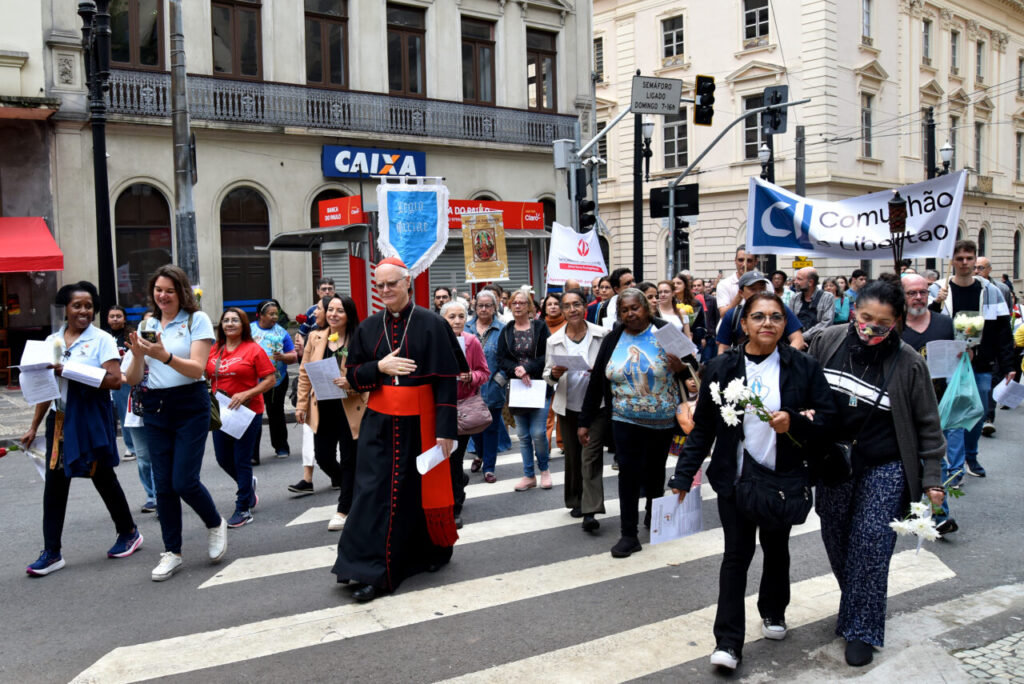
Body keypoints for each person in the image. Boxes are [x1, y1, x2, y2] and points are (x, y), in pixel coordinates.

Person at [668, 292, 836, 672]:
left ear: (785, 324)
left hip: (781, 478)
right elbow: (704, 427)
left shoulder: (803, 366)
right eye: (758, 317)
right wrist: (682, 476)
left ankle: (774, 610)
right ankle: (728, 640)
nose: (768, 324)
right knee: (736, 557)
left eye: (777, 317)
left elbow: (828, 417)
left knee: (776, 548)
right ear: (743, 324)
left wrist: (795, 420)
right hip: (735, 480)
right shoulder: (721, 367)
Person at [808, 279, 946, 667]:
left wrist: (932, 477)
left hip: (885, 465)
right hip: (834, 462)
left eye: (882, 324)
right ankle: (857, 602)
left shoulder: (909, 364)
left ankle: (861, 630)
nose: (871, 329)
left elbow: (928, 426)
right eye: (865, 318)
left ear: (897, 323)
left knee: (870, 544)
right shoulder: (828, 341)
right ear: (853, 311)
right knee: (836, 537)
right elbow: (803, 386)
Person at [333, 257, 463, 602]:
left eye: (392, 283)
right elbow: (353, 377)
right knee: (373, 493)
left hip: (420, 421)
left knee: (411, 493)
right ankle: (364, 566)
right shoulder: (368, 327)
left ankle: (421, 555)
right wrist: (380, 366)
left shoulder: (433, 324)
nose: (386, 290)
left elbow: (446, 381)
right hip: (378, 422)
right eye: (380, 285)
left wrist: (446, 431)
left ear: (408, 283)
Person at [20, 281, 142, 577]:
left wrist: (69, 371)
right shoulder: (51, 341)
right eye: (78, 305)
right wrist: (34, 426)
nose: (84, 311)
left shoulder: (100, 339)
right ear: (66, 309)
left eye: (89, 306)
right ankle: (52, 552)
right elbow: (48, 388)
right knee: (55, 483)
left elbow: (116, 380)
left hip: (90, 417)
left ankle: (128, 532)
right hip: (59, 420)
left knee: (101, 475)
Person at [124, 264, 226, 582]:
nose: (163, 295)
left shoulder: (197, 321)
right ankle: (172, 551)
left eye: (169, 290)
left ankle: (214, 523)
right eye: (158, 290)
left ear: (181, 292)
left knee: (184, 480)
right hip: (155, 408)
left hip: (189, 405)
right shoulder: (148, 323)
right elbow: (131, 377)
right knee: (164, 484)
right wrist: (140, 354)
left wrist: (164, 355)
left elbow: (198, 369)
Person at [579, 288, 691, 558]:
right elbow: (597, 382)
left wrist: (681, 369)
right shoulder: (613, 339)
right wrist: (585, 420)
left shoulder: (665, 331)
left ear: (647, 308)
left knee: (654, 472)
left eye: (635, 308)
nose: (630, 314)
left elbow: (693, 367)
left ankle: (653, 512)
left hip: (661, 420)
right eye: (624, 310)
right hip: (623, 418)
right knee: (627, 473)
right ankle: (628, 534)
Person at [930, 240, 1014, 474]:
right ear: (952, 261)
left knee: (977, 412)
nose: (965, 263)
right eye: (960, 258)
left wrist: (1009, 365)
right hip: (948, 364)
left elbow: (1003, 331)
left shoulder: (990, 291)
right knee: (954, 414)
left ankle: (971, 456)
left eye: (969, 258)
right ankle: (955, 467)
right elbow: (923, 321)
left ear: (975, 260)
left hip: (981, 363)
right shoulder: (939, 289)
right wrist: (936, 304)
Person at [296, 294, 365, 532]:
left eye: (340, 311)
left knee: (349, 459)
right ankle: (349, 485)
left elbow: (368, 373)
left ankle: (343, 508)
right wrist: (301, 405)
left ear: (349, 315)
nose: (334, 314)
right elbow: (304, 373)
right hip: (323, 406)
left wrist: (352, 383)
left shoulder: (359, 339)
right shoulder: (315, 337)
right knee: (323, 455)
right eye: (330, 310)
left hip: (350, 408)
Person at [544, 288, 610, 532]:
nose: (572, 310)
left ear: (585, 307)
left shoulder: (602, 334)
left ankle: (591, 511)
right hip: (568, 406)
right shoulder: (554, 340)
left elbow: (612, 366)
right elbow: (547, 374)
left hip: (596, 407)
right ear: (562, 310)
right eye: (567, 306)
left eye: (577, 305)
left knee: (590, 455)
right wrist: (554, 373)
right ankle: (576, 500)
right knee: (573, 456)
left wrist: (601, 372)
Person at [206, 308, 276, 527]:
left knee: (241, 459)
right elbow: (205, 374)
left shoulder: (253, 350)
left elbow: (270, 379)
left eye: (235, 320)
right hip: (222, 411)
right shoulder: (215, 349)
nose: (229, 324)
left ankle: (243, 508)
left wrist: (248, 393)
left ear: (243, 324)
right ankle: (247, 486)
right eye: (226, 320)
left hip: (248, 412)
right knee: (222, 459)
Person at [901, 273, 959, 536]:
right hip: (903, 404)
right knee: (908, 460)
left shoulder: (944, 323)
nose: (918, 297)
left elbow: (959, 360)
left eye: (923, 292)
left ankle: (940, 514)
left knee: (936, 454)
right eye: (912, 293)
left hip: (938, 400)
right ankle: (909, 511)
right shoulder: (896, 326)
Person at [496, 288, 553, 491]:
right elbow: (501, 358)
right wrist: (517, 371)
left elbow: (548, 354)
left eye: (522, 302)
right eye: (514, 303)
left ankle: (544, 470)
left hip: (540, 386)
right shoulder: (507, 330)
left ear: (530, 307)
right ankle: (529, 475)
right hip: (518, 388)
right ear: (510, 306)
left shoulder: (540, 327)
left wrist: (527, 368)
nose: (518, 306)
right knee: (523, 435)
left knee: (538, 433)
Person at [441, 300, 490, 527]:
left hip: (465, 407)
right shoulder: (435, 342)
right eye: (452, 317)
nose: (457, 321)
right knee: (444, 458)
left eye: (461, 316)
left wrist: (472, 377)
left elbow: (484, 372)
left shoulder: (471, 342)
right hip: (441, 407)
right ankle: (459, 480)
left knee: (455, 457)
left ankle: (455, 507)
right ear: (443, 319)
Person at [466, 289, 508, 482]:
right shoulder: (466, 328)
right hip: (469, 388)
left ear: (494, 307)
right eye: (480, 305)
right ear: (475, 307)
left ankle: (489, 468)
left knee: (491, 429)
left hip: (493, 387)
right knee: (473, 427)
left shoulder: (503, 329)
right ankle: (480, 455)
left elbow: (509, 360)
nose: (483, 309)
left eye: (488, 305)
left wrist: (499, 382)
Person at [249, 299, 297, 465]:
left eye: (276, 313)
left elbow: (293, 355)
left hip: (277, 380)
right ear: (261, 315)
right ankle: (252, 454)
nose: (275, 317)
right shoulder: (249, 330)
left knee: (275, 413)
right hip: (253, 382)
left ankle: (281, 447)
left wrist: (284, 357)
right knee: (254, 415)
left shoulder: (281, 332)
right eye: (271, 314)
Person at [289, 297, 327, 496]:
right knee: (309, 436)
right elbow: (303, 371)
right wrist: (301, 404)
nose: (315, 314)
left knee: (335, 448)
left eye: (320, 310)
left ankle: (340, 476)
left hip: (340, 397)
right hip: (314, 395)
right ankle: (307, 478)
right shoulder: (311, 337)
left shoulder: (348, 336)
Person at [120, 311, 157, 513]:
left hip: (160, 409)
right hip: (136, 410)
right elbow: (123, 376)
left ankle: (161, 496)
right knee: (143, 458)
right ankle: (151, 494)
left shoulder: (165, 351)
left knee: (159, 456)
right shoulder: (132, 352)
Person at [717, 271, 805, 353]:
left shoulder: (781, 309)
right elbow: (723, 348)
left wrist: (783, 360)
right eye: (753, 289)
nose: (758, 293)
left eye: (762, 288)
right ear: (741, 293)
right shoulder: (733, 315)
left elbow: (798, 340)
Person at [974, 256, 1014, 436]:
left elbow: (1005, 322)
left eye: (980, 268)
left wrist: (1008, 362)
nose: (976, 271)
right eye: (975, 267)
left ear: (989, 269)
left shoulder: (1001, 289)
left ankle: (988, 418)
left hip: (991, 346)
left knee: (990, 382)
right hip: (973, 347)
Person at [105, 305, 135, 461]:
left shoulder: (130, 335)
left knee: (125, 414)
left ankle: (131, 447)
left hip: (124, 379)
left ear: (124, 318)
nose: (115, 319)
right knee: (108, 416)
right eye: (112, 316)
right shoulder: (103, 336)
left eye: (118, 316)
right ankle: (109, 449)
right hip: (105, 379)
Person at [790, 267, 836, 345]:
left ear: (810, 282)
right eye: (795, 279)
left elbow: (826, 323)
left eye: (799, 279)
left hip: (818, 343)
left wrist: (802, 337)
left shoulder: (827, 297)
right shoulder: (795, 297)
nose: (795, 282)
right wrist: (796, 339)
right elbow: (790, 320)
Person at [716, 248, 759, 317]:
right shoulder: (724, 284)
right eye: (741, 260)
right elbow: (723, 314)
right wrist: (740, 295)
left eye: (749, 261)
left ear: (756, 262)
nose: (744, 264)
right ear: (735, 260)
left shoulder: (765, 284)